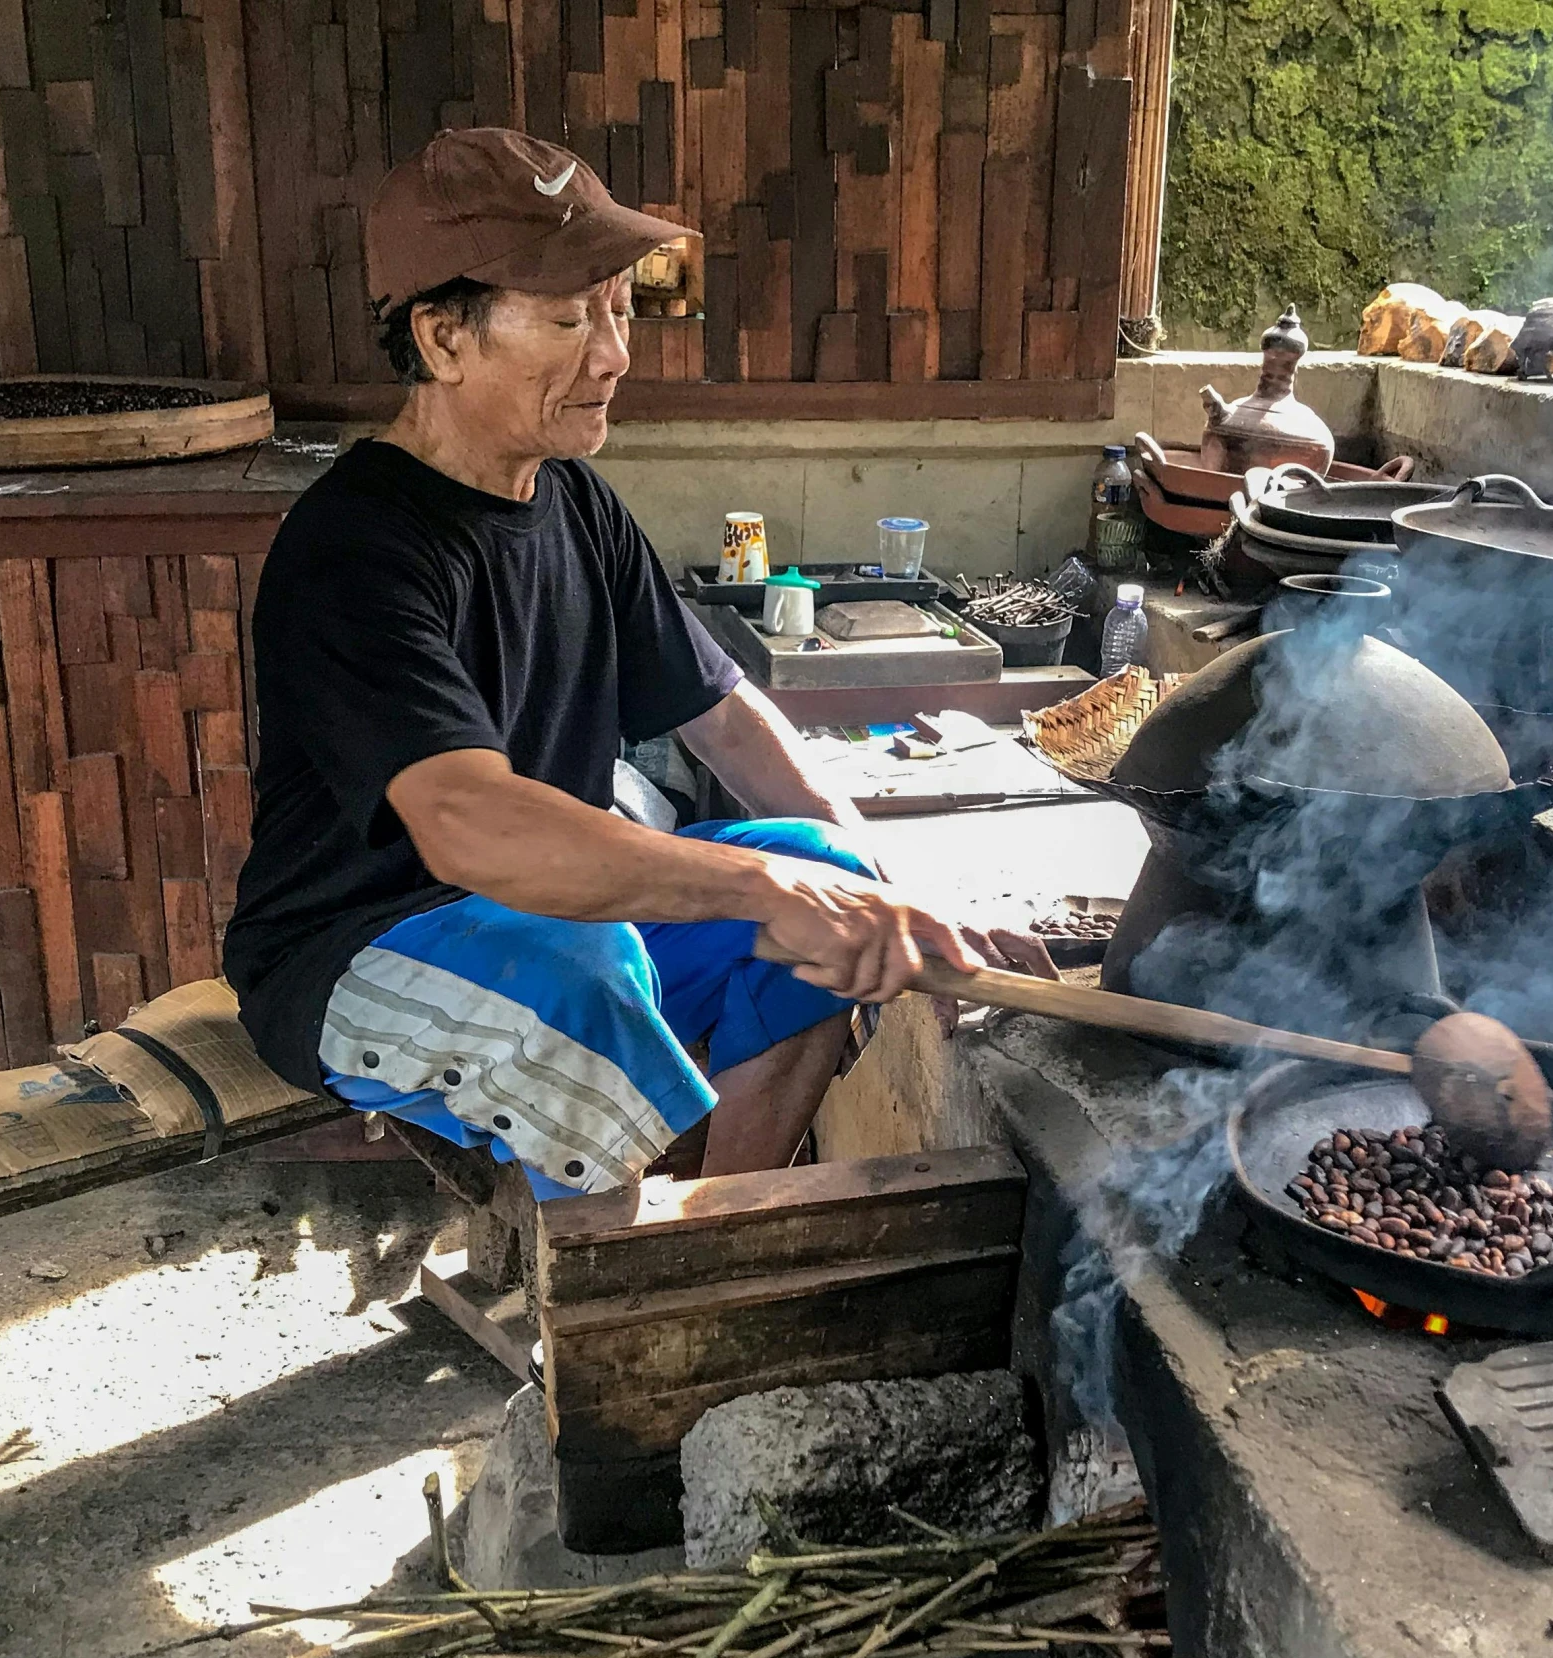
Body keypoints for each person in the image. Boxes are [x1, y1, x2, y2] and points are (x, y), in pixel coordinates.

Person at [223, 128, 1038, 1199]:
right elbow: (472, 826)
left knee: (818, 865)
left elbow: (724, 715)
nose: (612, 352)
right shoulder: (356, 551)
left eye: (614, 308)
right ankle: (612, 1321)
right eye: (567, 318)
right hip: (354, 950)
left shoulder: (570, 499)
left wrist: (880, 899)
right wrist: (761, 882)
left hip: (549, 917)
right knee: (585, 974)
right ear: (441, 339)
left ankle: (718, 1234)